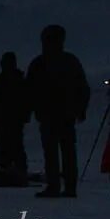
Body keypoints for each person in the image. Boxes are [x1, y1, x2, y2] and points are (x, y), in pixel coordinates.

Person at [26, 24, 91, 198]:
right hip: (60, 114)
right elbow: (82, 87)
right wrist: (81, 109)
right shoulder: (67, 61)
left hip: (56, 115)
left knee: (57, 151)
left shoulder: (42, 63)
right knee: (64, 151)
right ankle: (66, 187)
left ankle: (59, 186)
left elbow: (30, 90)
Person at [0, 52, 30, 173]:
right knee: (6, 143)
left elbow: (28, 98)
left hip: (12, 118)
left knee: (13, 143)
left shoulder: (13, 80)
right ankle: (8, 167)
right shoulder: (4, 80)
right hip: (4, 118)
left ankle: (16, 167)